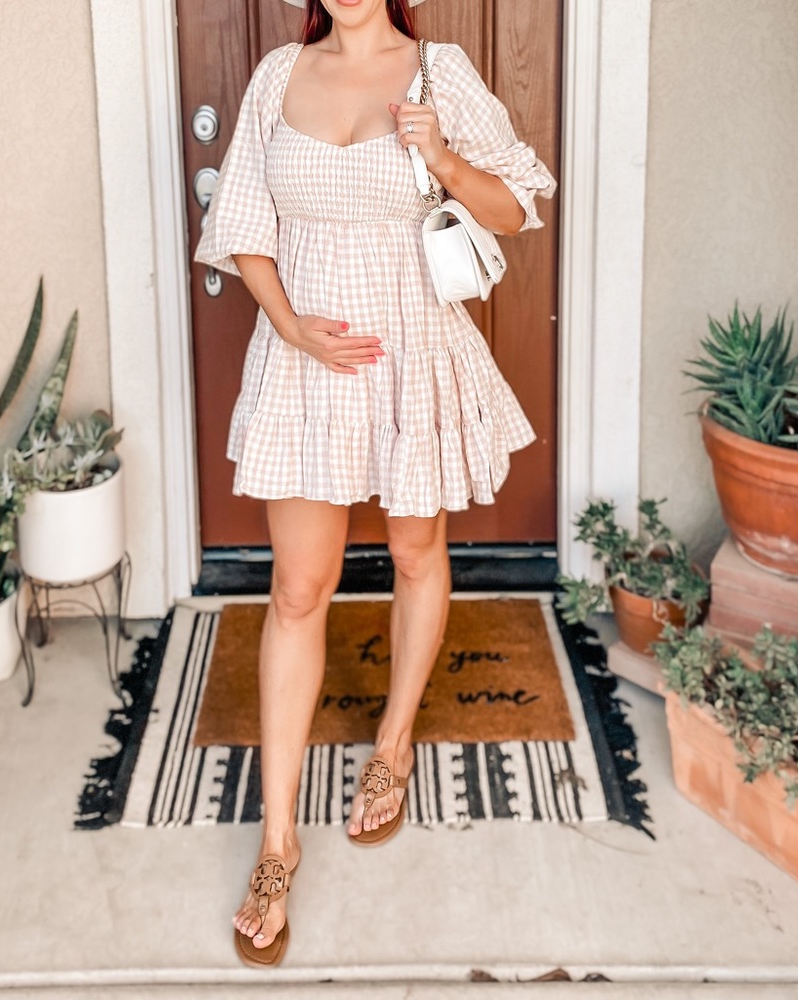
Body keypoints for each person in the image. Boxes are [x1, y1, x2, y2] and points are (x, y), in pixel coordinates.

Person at [195, 0, 555, 968]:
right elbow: (243, 225)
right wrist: (290, 324)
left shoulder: (439, 73)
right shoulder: (278, 75)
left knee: (413, 549)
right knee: (297, 587)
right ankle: (277, 845)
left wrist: (441, 162)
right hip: (307, 361)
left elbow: (517, 206)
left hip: (409, 355)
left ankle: (392, 738)